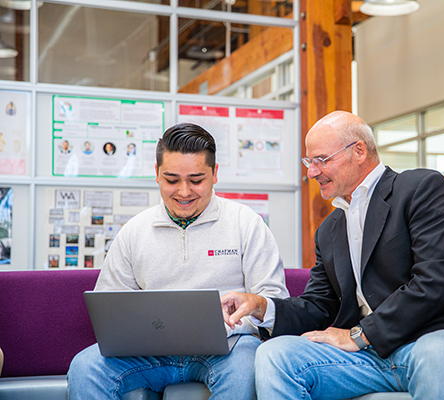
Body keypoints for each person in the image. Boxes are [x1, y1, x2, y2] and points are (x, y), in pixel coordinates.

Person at [221, 111, 444, 400]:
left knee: (435, 355)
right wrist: (261, 306)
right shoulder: (329, 230)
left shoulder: (421, 189)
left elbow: (436, 282)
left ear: (359, 151)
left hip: (438, 339)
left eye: (321, 160)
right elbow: (319, 307)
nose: (312, 172)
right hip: (369, 360)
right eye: (309, 162)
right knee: (275, 354)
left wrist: (359, 335)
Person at [67, 123, 289, 400]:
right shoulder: (135, 231)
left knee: (247, 367)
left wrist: (244, 312)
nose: (184, 192)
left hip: (229, 348)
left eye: (196, 180)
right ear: (157, 175)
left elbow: (275, 300)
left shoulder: (246, 223)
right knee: (85, 367)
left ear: (215, 173)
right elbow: (109, 305)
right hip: (148, 353)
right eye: (172, 180)